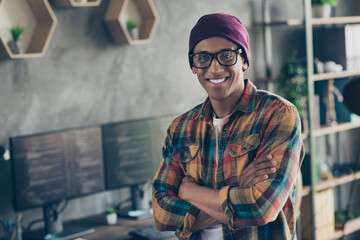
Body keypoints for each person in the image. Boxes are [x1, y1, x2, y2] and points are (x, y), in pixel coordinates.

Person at [152, 13, 304, 240]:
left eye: (226, 56)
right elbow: (161, 214)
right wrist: (239, 189)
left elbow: (262, 207)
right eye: (203, 58)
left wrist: (189, 192)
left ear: (244, 60)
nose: (214, 69)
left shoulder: (279, 114)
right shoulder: (180, 128)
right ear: (193, 65)